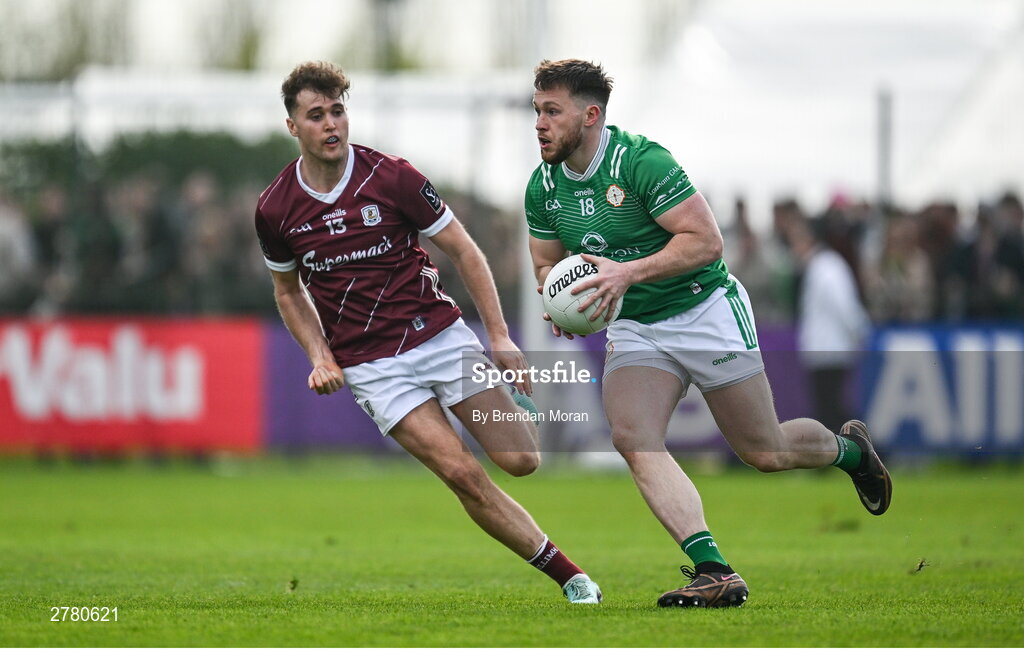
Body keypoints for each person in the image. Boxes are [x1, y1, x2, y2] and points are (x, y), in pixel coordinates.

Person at [524, 59, 892, 608]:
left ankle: (848, 451)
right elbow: (546, 265)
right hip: (636, 326)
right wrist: (564, 305)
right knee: (633, 437)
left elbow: (706, 242)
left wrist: (626, 272)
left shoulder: (643, 162)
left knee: (764, 452)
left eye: (552, 111)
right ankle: (714, 570)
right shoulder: (542, 188)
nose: (540, 123)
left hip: (705, 310)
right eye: (537, 111)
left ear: (591, 114)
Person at [255, 61, 601, 604]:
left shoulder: (392, 177)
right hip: (371, 365)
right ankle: (573, 578)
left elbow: (464, 250)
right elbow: (288, 292)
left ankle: (511, 403)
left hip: (439, 336)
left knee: (521, 461)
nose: (331, 126)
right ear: (293, 126)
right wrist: (320, 355)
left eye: (338, 112)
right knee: (462, 473)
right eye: (316, 115)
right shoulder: (275, 209)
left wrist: (500, 337)